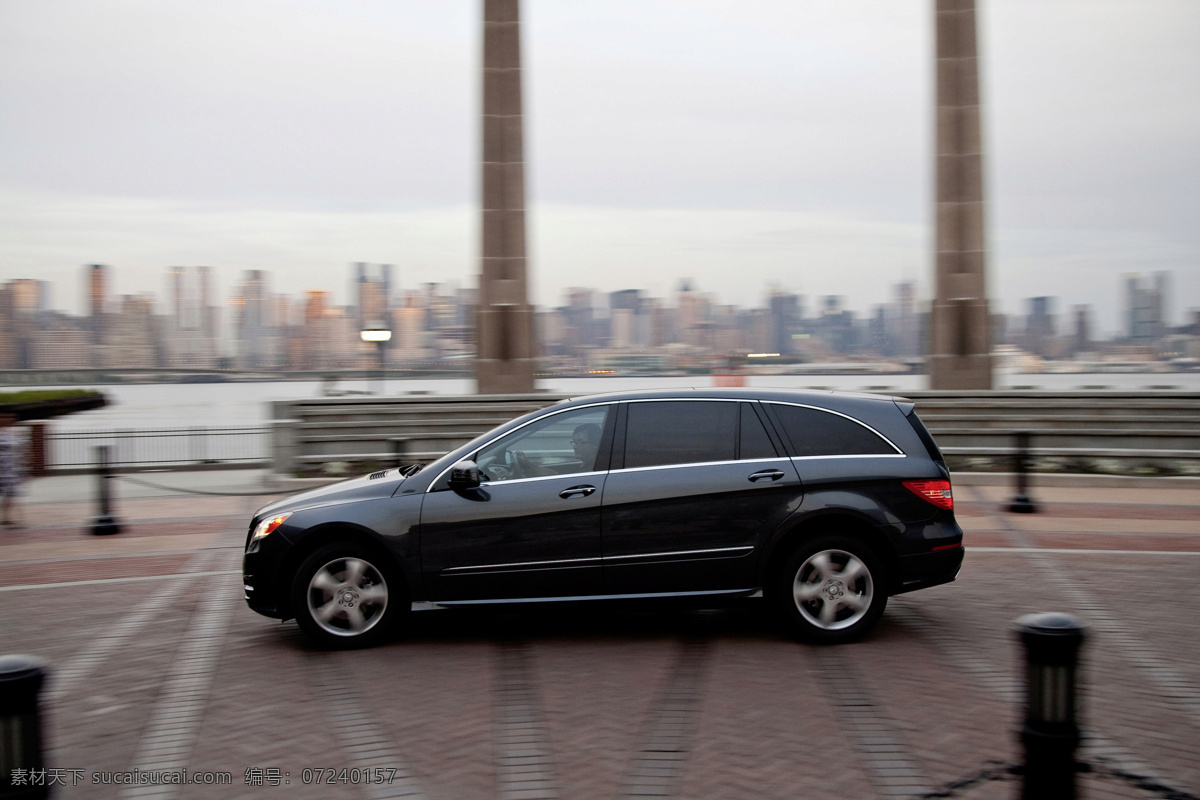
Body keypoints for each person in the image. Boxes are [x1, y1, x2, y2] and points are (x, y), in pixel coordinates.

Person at [0, 414, 26, 527]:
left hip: (9, 470)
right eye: (5, 417)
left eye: (11, 417)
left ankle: (6, 517)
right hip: (2, 468)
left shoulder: (10, 432)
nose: (10, 419)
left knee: (10, 494)